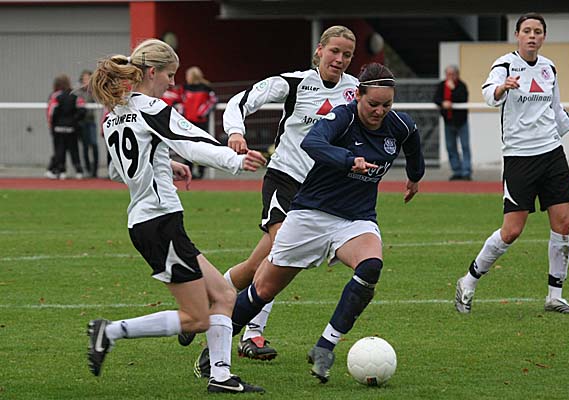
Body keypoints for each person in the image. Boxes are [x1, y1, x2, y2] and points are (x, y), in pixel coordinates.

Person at [224, 62, 424, 383]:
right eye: (373, 104)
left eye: (387, 105)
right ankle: (217, 346)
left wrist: (415, 177)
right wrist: (348, 160)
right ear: (358, 96)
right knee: (263, 288)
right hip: (310, 215)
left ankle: (325, 346)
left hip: (356, 219)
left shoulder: (398, 124)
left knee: (371, 266)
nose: (379, 111)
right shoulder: (343, 117)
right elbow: (312, 143)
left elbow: (412, 141)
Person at [86, 38, 267, 394]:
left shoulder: (113, 117)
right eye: (169, 75)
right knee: (197, 318)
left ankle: (221, 377)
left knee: (224, 295)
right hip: (159, 222)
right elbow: (192, 141)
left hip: (150, 222)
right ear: (152, 72)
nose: (172, 82)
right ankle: (110, 331)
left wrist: (165, 164)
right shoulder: (152, 107)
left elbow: (117, 171)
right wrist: (235, 159)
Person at [186, 26, 360, 371]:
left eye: (347, 54)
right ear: (319, 50)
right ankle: (252, 333)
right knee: (283, 252)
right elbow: (240, 101)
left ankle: (203, 304)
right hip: (285, 180)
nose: (339, 59)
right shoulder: (294, 83)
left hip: (321, 192)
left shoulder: (355, 90)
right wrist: (236, 132)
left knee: (255, 266)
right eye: (334, 51)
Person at [455, 12, 569, 315]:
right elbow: (488, 95)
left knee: (563, 224)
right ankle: (468, 281)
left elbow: (557, 112)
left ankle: (555, 296)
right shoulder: (504, 65)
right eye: (527, 31)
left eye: (537, 31)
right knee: (511, 231)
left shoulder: (549, 68)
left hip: (552, 154)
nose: (532, 36)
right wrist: (503, 87)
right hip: (519, 158)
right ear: (517, 35)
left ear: (543, 37)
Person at [433, 65, 472, 180]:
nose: (450, 77)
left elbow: (462, 98)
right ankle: (457, 171)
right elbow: (436, 98)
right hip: (448, 122)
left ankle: (466, 172)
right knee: (450, 147)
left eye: (452, 74)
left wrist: (453, 89)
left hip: (461, 122)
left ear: (457, 75)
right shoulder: (442, 85)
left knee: (465, 146)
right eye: (448, 74)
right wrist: (443, 103)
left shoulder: (461, 86)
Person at [179, 66, 218, 179]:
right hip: (186, 123)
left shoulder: (206, 88)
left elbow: (213, 101)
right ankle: (188, 171)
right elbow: (180, 101)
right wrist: (181, 115)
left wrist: (202, 112)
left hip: (201, 122)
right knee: (186, 147)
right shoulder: (184, 88)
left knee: (201, 147)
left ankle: (200, 172)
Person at [45, 74, 86, 179]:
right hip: (71, 128)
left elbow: (51, 112)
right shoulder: (74, 95)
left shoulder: (54, 96)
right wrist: (74, 120)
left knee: (59, 150)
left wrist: (51, 124)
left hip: (58, 128)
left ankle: (62, 171)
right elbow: (82, 109)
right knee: (74, 150)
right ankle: (79, 171)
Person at [73, 70, 100, 178]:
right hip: (82, 122)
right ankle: (87, 169)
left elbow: (98, 100)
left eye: (88, 79)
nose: (86, 81)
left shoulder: (93, 90)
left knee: (94, 144)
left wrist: (91, 89)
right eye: (84, 79)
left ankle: (95, 170)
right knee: (85, 146)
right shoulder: (78, 91)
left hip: (91, 121)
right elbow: (76, 100)